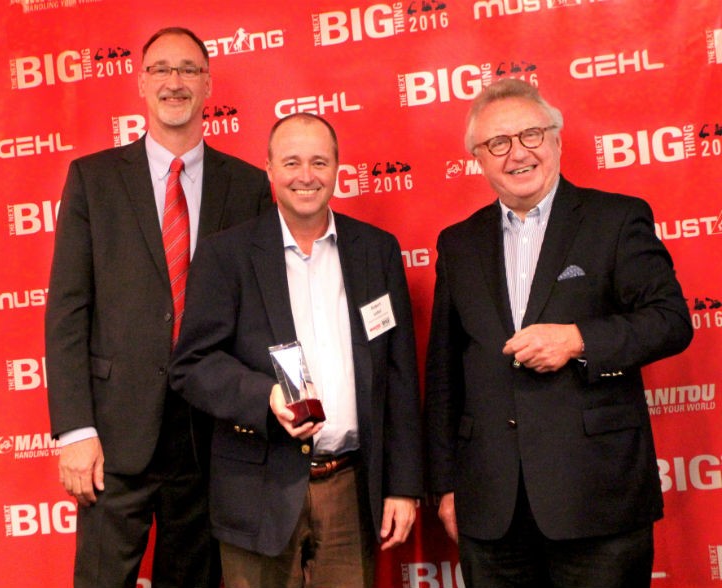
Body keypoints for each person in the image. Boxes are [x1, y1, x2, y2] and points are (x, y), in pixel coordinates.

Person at [424, 78, 693, 587]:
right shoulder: (457, 244)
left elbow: (671, 321)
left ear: (556, 139)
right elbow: (444, 373)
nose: (517, 153)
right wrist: (445, 486)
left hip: (597, 499)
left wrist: (577, 340)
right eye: (497, 143)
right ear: (478, 158)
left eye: (530, 134)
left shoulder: (615, 219)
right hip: (491, 505)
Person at [45, 26, 273, 587]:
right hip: (112, 435)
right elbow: (68, 310)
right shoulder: (92, 179)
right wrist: (75, 431)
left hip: (208, 437)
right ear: (142, 83)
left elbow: (260, 313)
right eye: (162, 70)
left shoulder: (247, 187)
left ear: (208, 84)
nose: (175, 82)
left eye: (189, 70)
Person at [169, 112, 423, 588]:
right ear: (268, 168)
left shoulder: (376, 250)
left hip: (351, 489)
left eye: (319, 162)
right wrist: (264, 396)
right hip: (257, 490)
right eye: (291, 162)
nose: (306, 176)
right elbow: (192, 366)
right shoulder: (227, 255)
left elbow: (399, 374)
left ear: (337, 168)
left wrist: (403, 487)